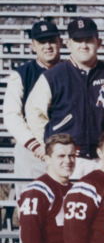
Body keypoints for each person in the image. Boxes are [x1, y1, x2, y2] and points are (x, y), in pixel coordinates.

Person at [25, 17, 104, 178]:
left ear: (99, 42)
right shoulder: (53, 76)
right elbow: (34, 112)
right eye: (78, 40)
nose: (83, 45)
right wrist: (48, 145)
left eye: (89, 40)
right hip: (68, 159)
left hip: (103, 157)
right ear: (69, 44)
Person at [4, 19, 63, 179]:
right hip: (32, 149)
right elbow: (11, 115)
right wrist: (35, 145)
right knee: (31, 200)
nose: (47, 46)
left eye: (52, 41)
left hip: (65, 149)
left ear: (61, 42)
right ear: (33, 46)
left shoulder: (71, 71)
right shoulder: (21, 74)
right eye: (42, 42)